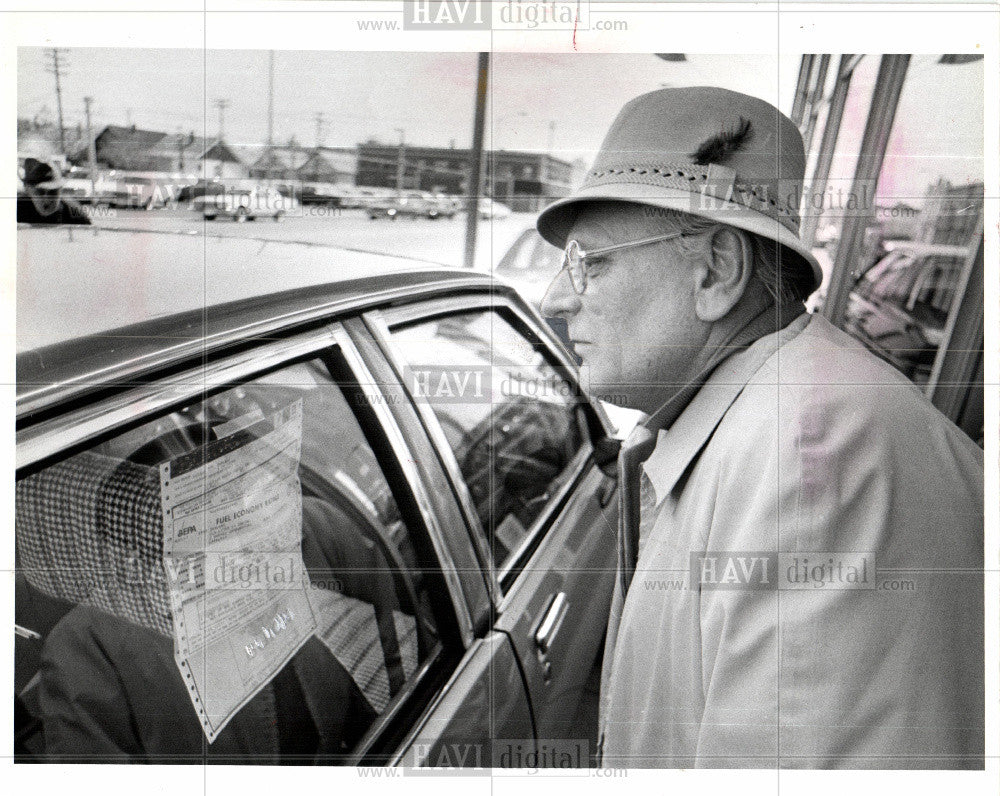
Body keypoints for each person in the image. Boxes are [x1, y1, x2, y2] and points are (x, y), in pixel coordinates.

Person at [536, 86, 984, 769]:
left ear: (716, 270)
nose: (556, 299)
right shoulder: (769, 422)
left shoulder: (815, 460)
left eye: (590, 262)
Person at [18, 157, 91, 225]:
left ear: (60, 190)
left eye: (53, 192)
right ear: (28, 190)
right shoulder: (17, 209)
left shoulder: (74, 212)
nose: (47, 199)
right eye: (40, 192)